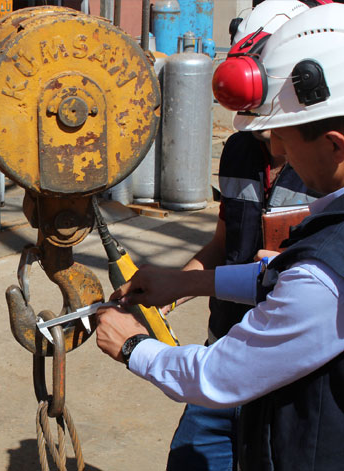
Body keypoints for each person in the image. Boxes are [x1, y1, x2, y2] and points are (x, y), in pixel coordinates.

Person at [95, 4, 344, 470]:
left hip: (282, 394)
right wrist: (186, 282)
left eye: (284, 136)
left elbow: (222, 373)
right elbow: (279, 272)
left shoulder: (323, 270)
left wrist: (133, 347)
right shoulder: (325, 224)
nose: (276, 148)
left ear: (334, 144)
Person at [161, 2, 321, 469]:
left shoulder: (330, 173)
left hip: (292, 372)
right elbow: (222, 244)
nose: (270, 144)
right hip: (224, 352)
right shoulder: (237, 151)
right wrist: (171, 288)